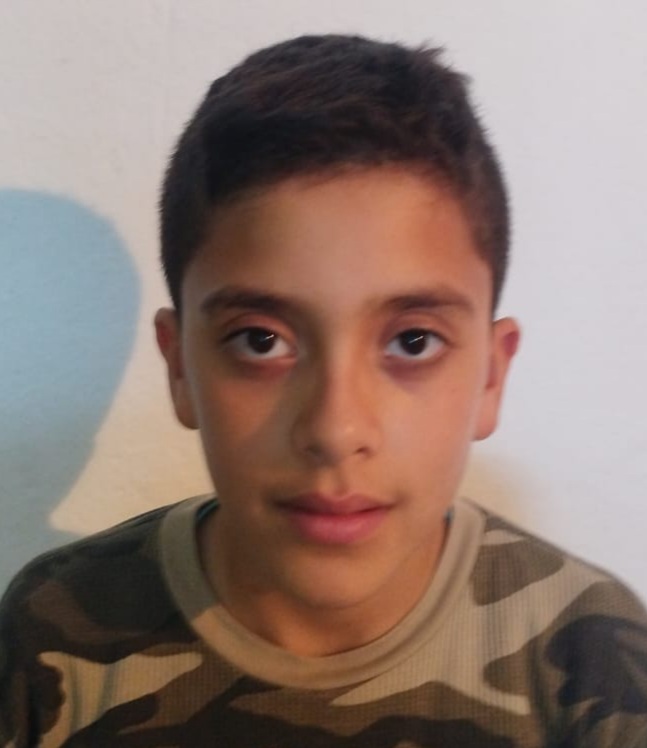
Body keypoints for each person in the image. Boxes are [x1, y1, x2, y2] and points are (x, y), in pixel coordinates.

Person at [1, 33, 646, 748]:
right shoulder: (52, 632)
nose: (336, 430)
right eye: (260, 340)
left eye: (412, 342)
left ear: (491, 376)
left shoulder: (595, 658)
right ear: (179, 368)